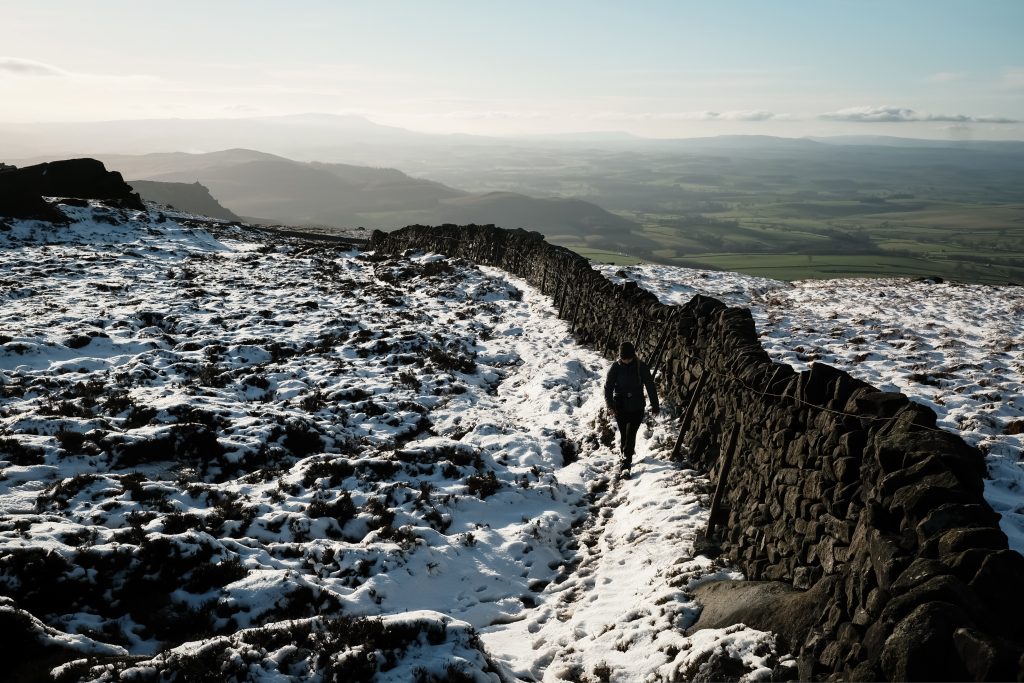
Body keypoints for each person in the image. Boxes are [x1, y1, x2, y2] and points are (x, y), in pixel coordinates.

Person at [604, 341, 659, 470]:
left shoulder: (641, 367)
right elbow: (608, 388)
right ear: (620, 357)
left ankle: (626, 462)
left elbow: (650, 387)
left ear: (633, 356)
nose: (626, 361)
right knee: (624, 434)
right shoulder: (615, 368)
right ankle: (624, 456)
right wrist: (610, 405)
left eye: (628, 358)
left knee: (631, 434)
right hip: (620, 407)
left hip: (637, 407)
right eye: (624, 359)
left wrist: (655, 406)